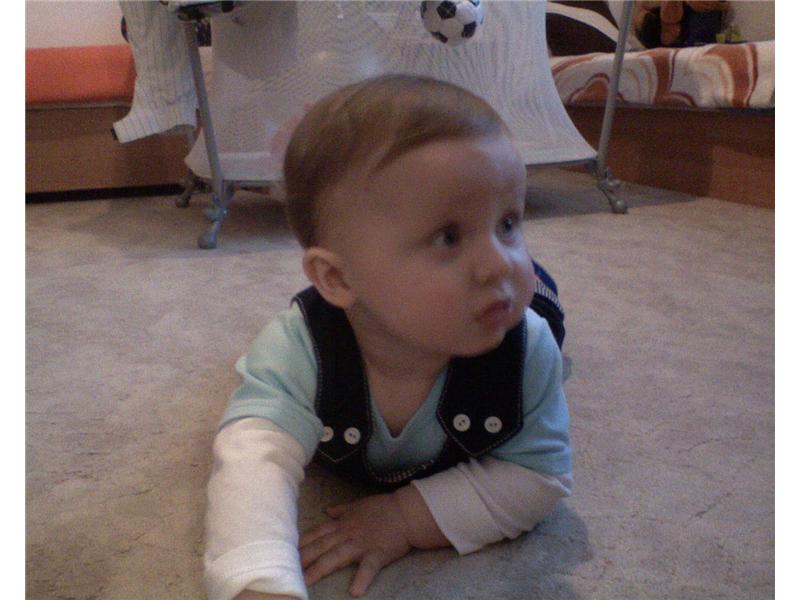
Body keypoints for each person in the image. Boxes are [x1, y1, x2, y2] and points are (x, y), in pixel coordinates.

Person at [204, 74, 573, 600]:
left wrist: (406, 517)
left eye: (509, 223)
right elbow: (250, 458)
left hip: (524, 308)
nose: (498, 263)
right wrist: (259, 580)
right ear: (337, 277)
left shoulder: (526, 348)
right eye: (448, 236)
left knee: (536, 293)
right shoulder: (298, 350)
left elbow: (539, 476)